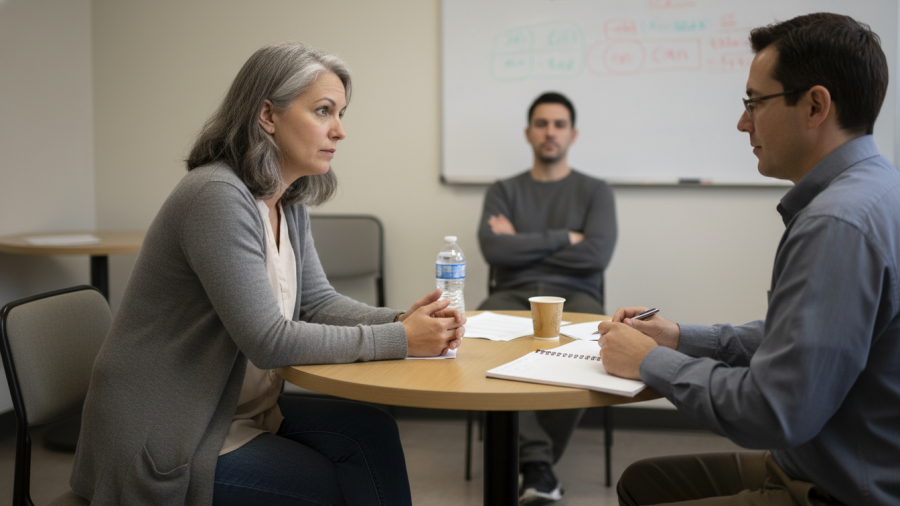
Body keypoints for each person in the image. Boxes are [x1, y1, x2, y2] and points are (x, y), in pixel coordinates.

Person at [69, 42, 466, 506]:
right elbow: (268, 340)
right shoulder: (215, 196)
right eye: (323, 111)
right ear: (267, 115)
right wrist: (402, 340)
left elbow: (318, 304)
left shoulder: (286, 199)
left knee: (371, 432)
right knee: (325, 484)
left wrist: (401, 322)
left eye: (340, 114)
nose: (339, 131)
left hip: (234, 410)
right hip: (168, 434)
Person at [597, 13, 900, 506]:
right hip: (821, 459)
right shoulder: (877, 188)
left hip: (839, 489)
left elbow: (773, 412)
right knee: (642, 483)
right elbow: (810, 342)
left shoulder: (837, 224)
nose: (743, 122)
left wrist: (652, 362)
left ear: (815, 106)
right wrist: (680, 337)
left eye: (754, 103)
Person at [477, 92, 617, 505]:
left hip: (576, 294)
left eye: (558, 125)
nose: (550, 132)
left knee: (591, 344)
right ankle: (538, 465)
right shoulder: (503, 191)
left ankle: (531, 462)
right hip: (511, 292)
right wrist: (563, 237)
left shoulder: (596, 192)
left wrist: (520, 241)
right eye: (541, 124)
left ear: (572, 134)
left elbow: (596, 253)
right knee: (477, 339)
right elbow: (494, 251)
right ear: (528, 133)